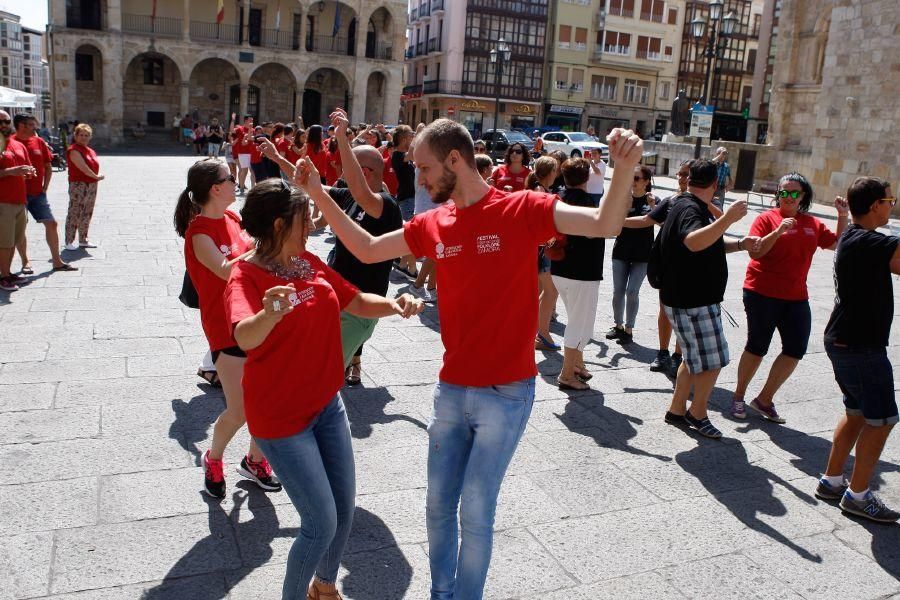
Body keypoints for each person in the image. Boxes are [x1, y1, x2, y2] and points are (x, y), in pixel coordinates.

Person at [296, 110, 642, 600]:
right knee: (438, 507)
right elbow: (370, 248)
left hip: (506, 392)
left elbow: (606, 223)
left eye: (424, 167)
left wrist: (624, 168)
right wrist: (316, 195)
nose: (418, 176)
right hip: (451, 388)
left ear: (454, 159)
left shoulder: (523, 208)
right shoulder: (434, 222)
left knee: (475, 511)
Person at [225, 178, 422, 599]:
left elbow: (354, 299)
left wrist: (395, 305)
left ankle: (325, 587)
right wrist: (269, 314)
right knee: (319, 524)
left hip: (327, 405)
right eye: (304, 218)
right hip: (281, 419)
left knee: (344, 509)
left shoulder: (308, 262)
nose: (312, 223)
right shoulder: (244, 274)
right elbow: (244, 335)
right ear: (279, 224)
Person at [258, 134, 404, 386]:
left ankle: (324, 406)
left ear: (365, 173)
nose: (340, 171)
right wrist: (277, 158)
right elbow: (310, 185)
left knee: (324, 374)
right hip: (338, 294)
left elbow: (365, 198)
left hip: (362, 303)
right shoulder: (348, 196)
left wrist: (342, 137)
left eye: (346, 168)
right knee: (323, 364)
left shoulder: (386, 205)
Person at [173, 158, 280, 498]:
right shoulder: (199, 232)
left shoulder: (233, 218)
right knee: (240, 410)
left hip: (256, 320)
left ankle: (254, 460)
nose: (236, 182)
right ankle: (214, 457)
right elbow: (223, 270)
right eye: (229, 178)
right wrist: (262, 247)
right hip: (225, 328)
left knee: (265, 402)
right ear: (215, 188)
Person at [731, 173, 848, 422]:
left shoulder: (812, 223)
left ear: (803, 196)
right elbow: (756, 252)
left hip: (796, 296)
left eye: (794, 193)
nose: (788, 197)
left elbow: (836, 244)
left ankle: (764, 399)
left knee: (795, 349)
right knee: (757, 346)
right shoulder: (766, 219)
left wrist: (842, 216)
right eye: (784, 192)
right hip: (761, 292)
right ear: (778, 195)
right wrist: (778, 231)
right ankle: (738, 396)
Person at [656, 159, 760, 439]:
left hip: (686, 298)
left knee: (692, 358)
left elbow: (706, 243)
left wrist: (740, 244)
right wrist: (728, 219)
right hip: (693, 300)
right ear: (716, 185)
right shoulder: (691, 208)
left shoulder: (683, 204)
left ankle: (677, 409)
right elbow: (693, 241)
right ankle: (697, 413)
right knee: (713, 361)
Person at [622, 161, 722, 376]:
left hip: (698, 273)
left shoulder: (706, 204)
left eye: (687, 175)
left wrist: (707, 203)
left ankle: (679, 355)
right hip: (671, 267)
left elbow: (722, 221)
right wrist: (618, 221)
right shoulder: (671, 201)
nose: (682, 178)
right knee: (666, 312)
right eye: (680, 174)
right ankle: (664, 352)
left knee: (685, 318)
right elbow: (646, 220)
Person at [551, 158, 606, 389]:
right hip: (582, 271)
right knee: (579, 324)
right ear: (587, 178)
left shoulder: (559, 199)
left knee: (577, 319)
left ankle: (577, 365)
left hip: (560, 268)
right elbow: (594, 233)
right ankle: (566, 374)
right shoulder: (586, 204)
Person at [11, 114, 75, 274]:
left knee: (51, 223)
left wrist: (45, 187)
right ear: (22, 126)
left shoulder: (38, 141)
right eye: (32, 125)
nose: (36, 128)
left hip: (37, 193)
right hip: (17, 194)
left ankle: (57, 261)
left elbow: (47, 165)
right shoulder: (9, 142)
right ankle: (25, 262)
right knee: (20, 229)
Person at [605, 165, 655, 345]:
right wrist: (625, 206)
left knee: (632, 291)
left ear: (646, 182)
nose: (632, 182)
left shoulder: (653, 201)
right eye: (631, 178)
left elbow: (662, 223)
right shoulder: (623, 199)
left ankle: (629, 329)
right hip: (622, 251)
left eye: (637, 178)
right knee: (618, 291)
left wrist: (654, 206)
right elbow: (613, 223)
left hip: (643, 254)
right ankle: (618, 326)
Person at [525, 156, 561, 351]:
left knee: (542, 291)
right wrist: (544, 239)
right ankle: (542, 333)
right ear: (549, 172)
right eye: (555, 170)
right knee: (551, 290)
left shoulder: (541, 190)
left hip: (539, 249)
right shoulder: (540, 191)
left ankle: (537, 331)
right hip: (539, 250)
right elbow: (534, 223)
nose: (557, 174)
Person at [0, 111, 38, 291]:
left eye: (7, 121)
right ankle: (4, 276)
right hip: (3, 201)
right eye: (1, 121)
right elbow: (11, 171)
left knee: (14, 240)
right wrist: (9, 172)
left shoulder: (17, 144)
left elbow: (27, 168)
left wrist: (30, 172)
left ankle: (7, 273)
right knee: (4, 242)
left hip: (19, 200)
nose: (4, 124)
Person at [64, 123, 103, 251]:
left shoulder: (90, 150)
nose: (84, 138)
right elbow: (83, 167)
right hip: (78, 184)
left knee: (87, 211)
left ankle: (83, 239)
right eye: (81, 135)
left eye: (87, 135)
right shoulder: (74, 149)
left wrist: (94, 178)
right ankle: (69, 240)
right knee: (75, 211)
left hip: (91, 184)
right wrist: (96, 176)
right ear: (75, 135)